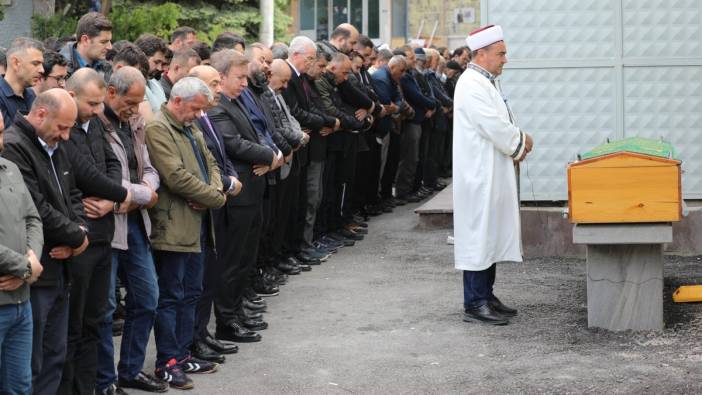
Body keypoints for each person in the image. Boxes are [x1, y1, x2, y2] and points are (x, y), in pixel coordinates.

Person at [1, 89, 90, 395]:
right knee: (31, 365)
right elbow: (39, 210)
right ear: (40, 114)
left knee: (53, 357)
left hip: (54, 268)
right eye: (62, 127)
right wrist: (76, 237)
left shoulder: (50, 145)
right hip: (35, 274)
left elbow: (70, 196)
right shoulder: (15, 148)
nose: (66, 136)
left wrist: (80, 234)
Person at [146, 77, 226, 390]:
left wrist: (214, 191)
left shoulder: (190, 126)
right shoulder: (158, 128)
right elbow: (175, 177)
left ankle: (182, 353)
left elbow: (211, 163)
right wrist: (215, 196)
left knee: (192, 290)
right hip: (174, 226)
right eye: (195, 109)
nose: (198, 115)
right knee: (171, 295)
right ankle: (167, 360)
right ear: (177, 100)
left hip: (197, 222)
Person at [454, 25, 533, 326]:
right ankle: (474, 302)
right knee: (479, 235)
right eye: (501, 54)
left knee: (490, 234)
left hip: (490, 171)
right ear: (482, 53)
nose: (505, 59)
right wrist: (520, 141)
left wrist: (517, 140)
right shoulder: (471, 83)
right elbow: (491, 124)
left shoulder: (485, 82)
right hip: (479, 174)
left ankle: (486, 295)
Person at [208, 49, 277, 343]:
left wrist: (268, 152)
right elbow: (234, 144)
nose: (245, 84)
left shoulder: (236, 102)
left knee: (246, 257)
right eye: (239, 78)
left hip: (253, 191)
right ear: (221, 77)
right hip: (237, 197)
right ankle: (226, 319)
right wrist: (271, 154)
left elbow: (256, 135)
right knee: (231, 261)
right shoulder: (217, 107)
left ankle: (236, 311)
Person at [189, 64, 242, 363]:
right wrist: (223, 185)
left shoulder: (208, 117)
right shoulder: (193, 120)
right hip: (205, 205)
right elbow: (198, 167)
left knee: (211, 274)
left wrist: (231, 178)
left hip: (218, 200)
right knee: (198, 279)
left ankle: (203, 332)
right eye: (212, 84)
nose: (219, 89)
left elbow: (220, 156)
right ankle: (194, 338)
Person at [0, 109, 44, 395]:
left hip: (21, 302)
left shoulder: (10, 169)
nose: (1, 141)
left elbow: (33, 218)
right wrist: (26, 268)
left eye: (1, 131)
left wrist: (32, 260)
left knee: (20, 386)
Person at [0, 37, 44, 124]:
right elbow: (7, 136)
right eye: (35, 63)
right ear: (15, 63)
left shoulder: (31, 95)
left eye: (42, 64)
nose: (42, 70)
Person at [59, 12, 113, 78]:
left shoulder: (106, 67)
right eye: (103, 42)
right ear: (85, 40)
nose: (110, 47)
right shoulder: (60, 69)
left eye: (110, 41)